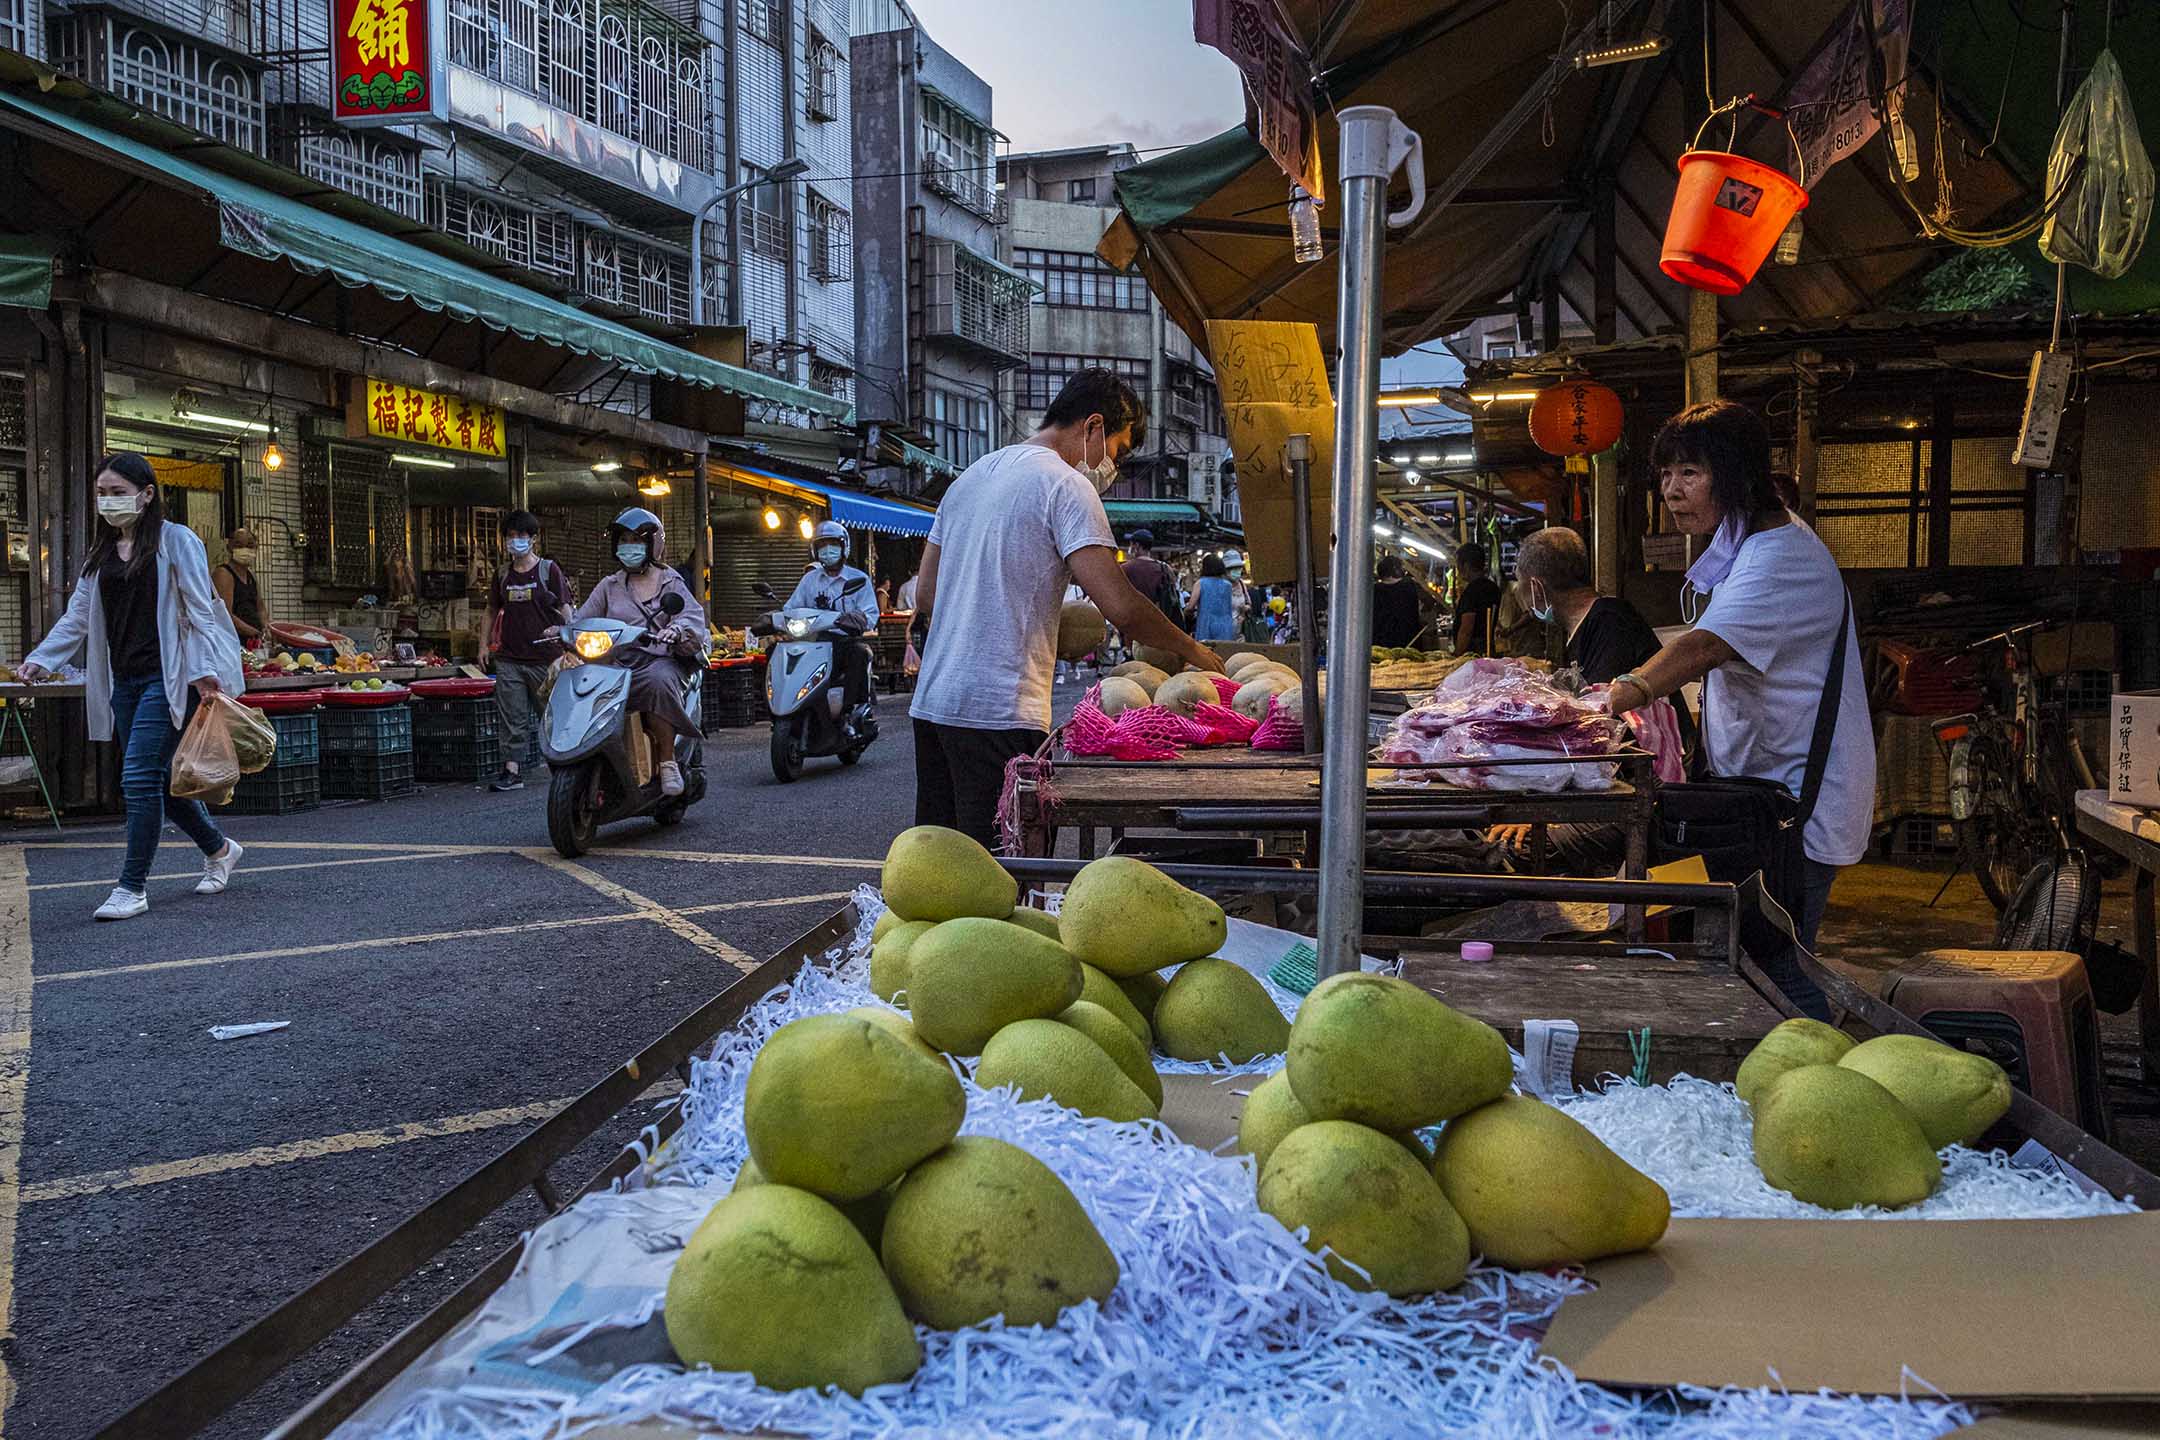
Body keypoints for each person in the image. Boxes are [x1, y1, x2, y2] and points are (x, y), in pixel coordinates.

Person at [1603, 400, 1875, 1019]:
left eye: (1690, 473)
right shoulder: (1745, 535)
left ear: (1737, 475)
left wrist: (1610, 700)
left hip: (1797, 804)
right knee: (1748, 952)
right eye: (1666, 474)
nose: (1671, 490)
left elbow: (1702, 645)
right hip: (1761, 791)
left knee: (1781, 963)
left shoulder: (1780, 557)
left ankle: (1823, 1076)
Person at [911, 367, 1225, 845]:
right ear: (1093, 427)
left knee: (939, 870)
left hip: (933, 706)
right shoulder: (1065, 485)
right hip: (998, 711)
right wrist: (1195, 652)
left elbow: (926, 597)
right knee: (1004, 877)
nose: (1111, 467)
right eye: (1117, 450)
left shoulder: (970, 477)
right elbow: (1121, 606)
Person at [19, 453, 245, 920]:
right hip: (124, 681)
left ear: (146, 495)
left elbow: (198, 610)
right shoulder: (100, 555)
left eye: (118, 492)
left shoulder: (175, 540)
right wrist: (41, 659)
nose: (108, 501)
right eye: (103, 492)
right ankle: (219, 848)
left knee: (138, 776)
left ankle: (131, 887)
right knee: (158, 784)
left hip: (171, 677)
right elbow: (78, 617)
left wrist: (204, 671)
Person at [560, 508, 706, 798]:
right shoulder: (609, 585)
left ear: (653, 545)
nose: (629, 546)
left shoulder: (671, 581)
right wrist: (560, 630)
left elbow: (691, 617)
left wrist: (675, 630)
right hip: (616, 664)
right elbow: (583, 619)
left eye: (636, 540)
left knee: (658, 682)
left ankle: (666, 761)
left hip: (659, 660)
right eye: (624, 540)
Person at [478, 510, 572, 792]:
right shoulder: (502, 574)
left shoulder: (548, 570)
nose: (514, 541)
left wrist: (569, 636)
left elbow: (566, 607)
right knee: (512, 718)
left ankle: (564, 766)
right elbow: (491, 609)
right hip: (509, 659)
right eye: (510, 536)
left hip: (546, 658)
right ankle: (512, 770)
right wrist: (483, 644)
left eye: (520, 536)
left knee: (552, 715)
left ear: (533, 539)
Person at [785, 519, 876, 734]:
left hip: (844, 641)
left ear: (844, 547)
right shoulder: (809, 580)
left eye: (833, 545)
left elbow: (870, 614)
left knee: (859, 653)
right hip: (814, 642)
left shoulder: (858, 579)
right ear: (815, 550)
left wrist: (853, 620)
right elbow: (792, 607)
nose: (827, 551)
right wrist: (777, 619)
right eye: (822, 546)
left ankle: (847, 712)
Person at [214, 527, 272, 648]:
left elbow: (260, 607)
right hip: (232, 644)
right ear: (229, 547)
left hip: (253, 643)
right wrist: (253, 632)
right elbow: (224, 615)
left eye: (250, 545)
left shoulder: (251, 576)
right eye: (239, 545)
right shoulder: (224, 574)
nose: (245, 550)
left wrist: (266, 626)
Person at [1119, 529, 1184, 631]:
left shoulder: (1125, 568)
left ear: (1136, 545)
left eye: (1131, 544)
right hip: (1159, 623)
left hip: (1133, 624)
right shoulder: (1165, 568)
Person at [1451, 544, 1502, 655]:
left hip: (1473, 654)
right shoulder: (1493, 587)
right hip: (1488, 648)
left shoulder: (1471, 591)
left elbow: (1466, 629)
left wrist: (1457, 654)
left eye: (1458, 564)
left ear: (1466, 566)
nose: (1458, 569)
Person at [1371, 554, 1426, 649]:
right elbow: (1429, 603)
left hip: (1380, 645)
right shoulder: (1410, 585)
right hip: (1409, 643)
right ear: (1396, 569)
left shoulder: (1373, 590)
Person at [1189, 551, 1240, 644]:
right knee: (1224, 653)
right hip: (1226, 626)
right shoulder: (1228, 585)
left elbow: (1191, 606)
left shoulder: (1201, 583)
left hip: (1206, 625)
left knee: (1205, 653)